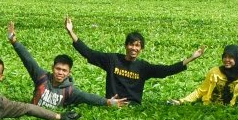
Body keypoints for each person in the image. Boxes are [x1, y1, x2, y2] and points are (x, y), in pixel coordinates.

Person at [65, 17, 205, 104]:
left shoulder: (143, 67)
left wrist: (191, 58)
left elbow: (166, 70)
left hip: (133, 106)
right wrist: (71, 32)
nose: (134, 48)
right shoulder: (112, 60)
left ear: (141, 49)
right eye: (131, 44)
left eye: (137, 45)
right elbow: (89, 53)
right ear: (126, 46)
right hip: (112, 103)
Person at [7, 21, 126, 109]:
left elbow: (89, 97)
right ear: (52, 68)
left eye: (64, 70)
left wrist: (108, 102)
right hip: (31, 115)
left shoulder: (70, 91)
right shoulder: (41, 77)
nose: (60, 72)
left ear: (69, 73)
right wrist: (14, 42)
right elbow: (28, 60)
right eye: (58, 69)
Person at [171, 44, 238, 105]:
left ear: (237, 59)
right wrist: (181, 101)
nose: (227, 60)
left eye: (230, 57)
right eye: (225, 57)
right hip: (208, 108)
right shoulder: (214, 72)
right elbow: (200, 91)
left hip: (227, 112)